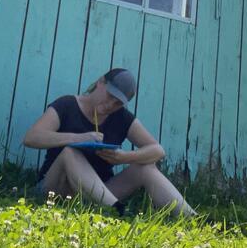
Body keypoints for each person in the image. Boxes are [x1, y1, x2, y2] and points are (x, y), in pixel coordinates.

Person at [23, 68, 196, 217]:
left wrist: (125, 157)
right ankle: (116, 211)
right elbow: (31, 137)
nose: (110, 105)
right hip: (55, 189)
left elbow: (158, 150)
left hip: (99, 192)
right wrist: (78, 138)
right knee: (70, 153)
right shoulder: (67, 105)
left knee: (145, 167)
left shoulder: (121, 117)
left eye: (118, 103)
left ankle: (192, 218)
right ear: (100, 82)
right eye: (110, 96)